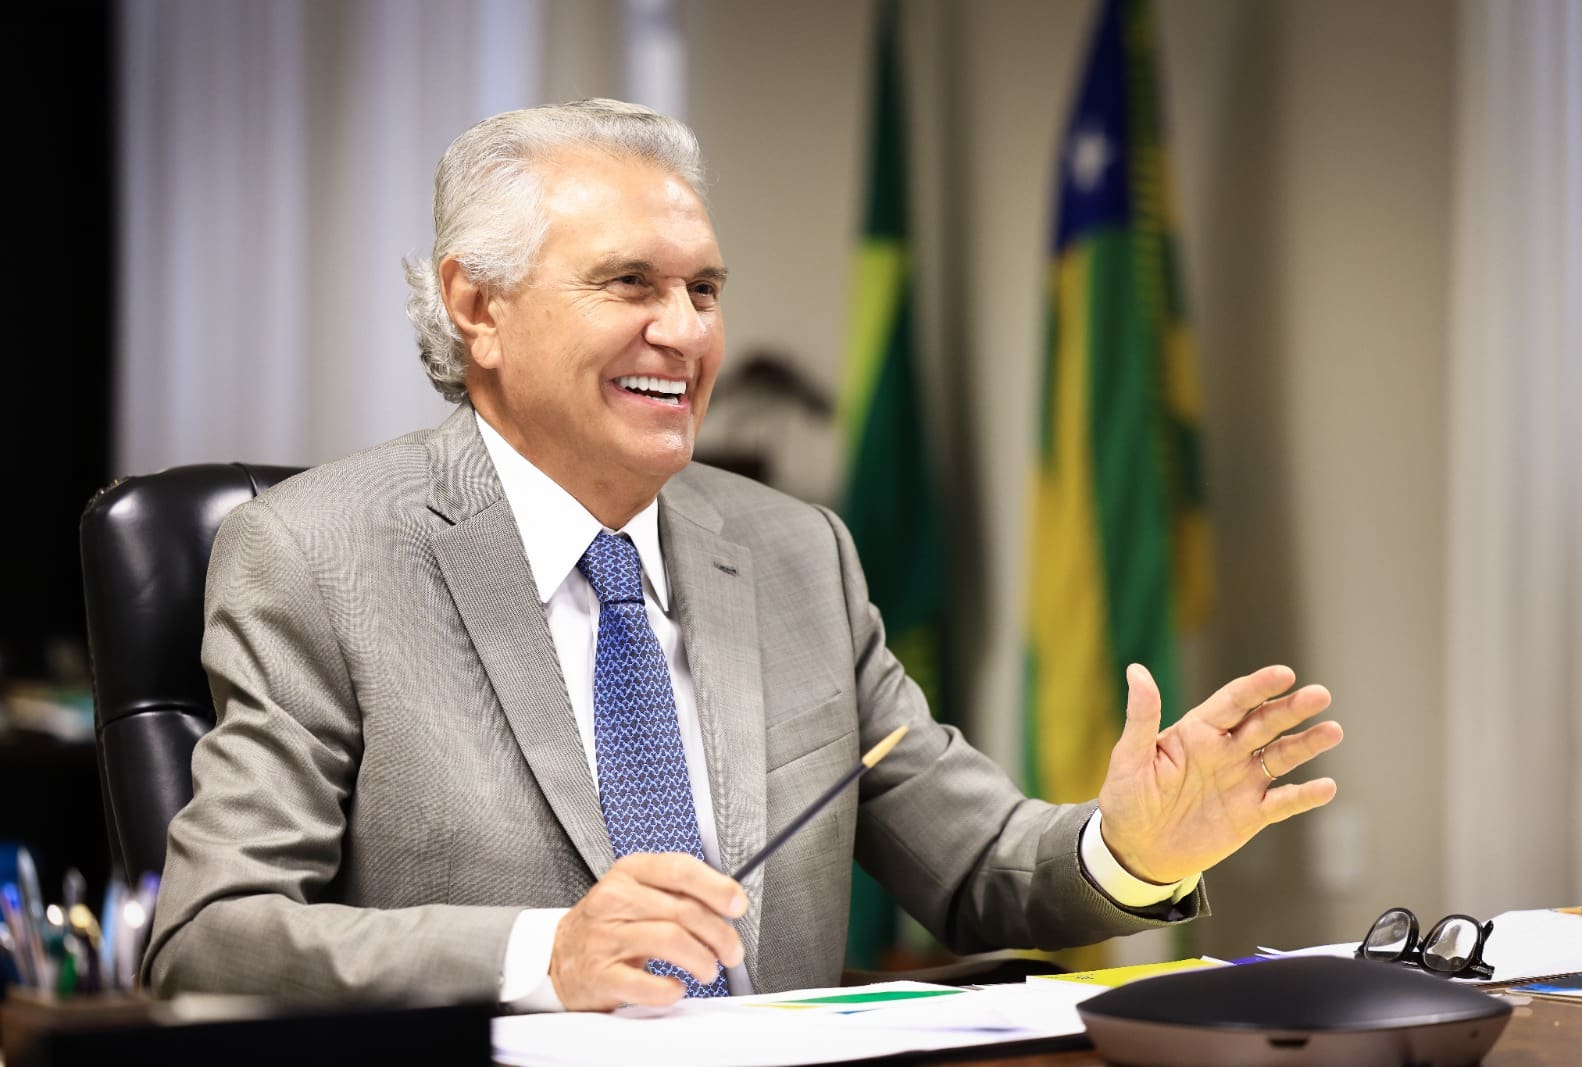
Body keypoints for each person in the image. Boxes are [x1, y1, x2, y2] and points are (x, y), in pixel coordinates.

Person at [144, 99, 1343, 1013]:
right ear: (477, 305)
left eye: (704, 288)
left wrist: (1130, 847)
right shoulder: (316, 553)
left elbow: (978, 863)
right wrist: (543, 954)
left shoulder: (794, 551)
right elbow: (209, 934)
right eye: (629, 283)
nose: (685, 331)